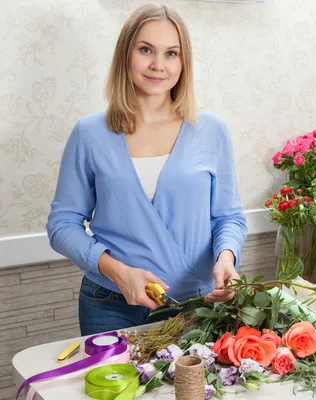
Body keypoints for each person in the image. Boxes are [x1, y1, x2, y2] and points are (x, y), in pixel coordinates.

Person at [46, 3, 247, 336]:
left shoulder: (212, 131)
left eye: (171, 53)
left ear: (184, 62)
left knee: (189, 389)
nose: (158, 65)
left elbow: (228, 217)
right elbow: (62, 224)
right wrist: (117, 272)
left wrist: (227, 259)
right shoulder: (90, 133)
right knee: (109, 390)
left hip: (193, 306)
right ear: (126, 54)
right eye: (146, 50)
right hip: (108, 304)